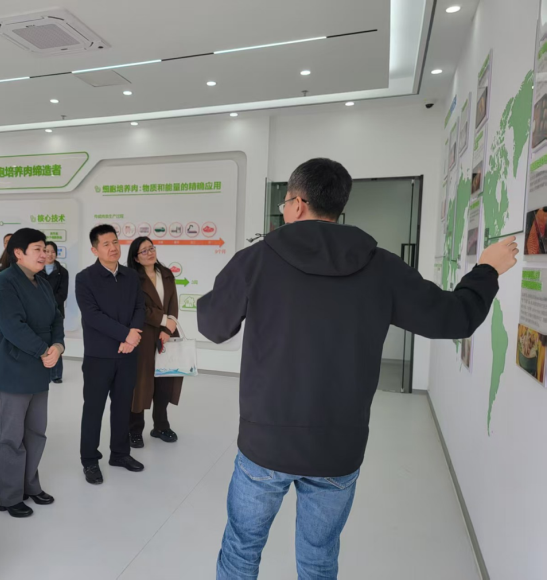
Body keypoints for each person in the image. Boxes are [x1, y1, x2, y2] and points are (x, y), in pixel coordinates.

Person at [197, 158, 519, 580]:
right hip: (338, 447)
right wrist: (487, 269)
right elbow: (455, 317)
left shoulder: (255, 260)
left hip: (265, 443)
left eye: (284, 203)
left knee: (241, 550)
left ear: (297, 203)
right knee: (318, 558)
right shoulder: (381, 266)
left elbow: (213, 326)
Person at [0, 229, 64, 518]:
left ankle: (29, 485)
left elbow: (56, 318)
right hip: (13, 370)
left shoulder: (41, 283)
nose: (44, 254)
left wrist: (58, 345)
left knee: (35, 433)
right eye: (37, 249)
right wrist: (45, 350)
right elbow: (13, 327)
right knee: (9, 437)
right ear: (18, 253)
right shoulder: (3, 284)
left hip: (39, 370)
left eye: (45, 249)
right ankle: (7, 495)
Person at [75, 225, 145, 484]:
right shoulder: (85, 278)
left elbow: (140, 307)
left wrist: (132, 336)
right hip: (99, 356)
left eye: (115, 242)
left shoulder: (131, 276)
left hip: (128, 354)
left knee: (123, 407)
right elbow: (92, 316)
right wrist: (126, 335)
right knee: (93, 409)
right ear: (95, 250)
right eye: (106, 244)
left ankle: (120, 453)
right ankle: (90, 460)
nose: (113, 247)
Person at [126, 237, 183, 448]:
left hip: (167, 334)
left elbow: (173, 303)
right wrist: (164, 321)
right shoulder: (131, 278)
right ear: (136, 258)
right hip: (143, 335)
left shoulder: (166, 273)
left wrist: (168, 328)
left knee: (165, 382)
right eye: (144, 251)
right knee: (140, 384)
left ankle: (161, 426)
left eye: (151, 248)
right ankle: (134, 430)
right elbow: (137, 307)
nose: (150, 253)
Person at [37, 241, 69, 384]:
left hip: (56, 312)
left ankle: (56, 374)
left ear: (56, 254)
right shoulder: (36, 270)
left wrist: (48, 304)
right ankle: (40, 371)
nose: (49, 254)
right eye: (47, 251)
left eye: (52, 252)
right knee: (41, 341)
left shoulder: (63, 272)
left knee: (56, 341)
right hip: (38, 311)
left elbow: (62, 294)